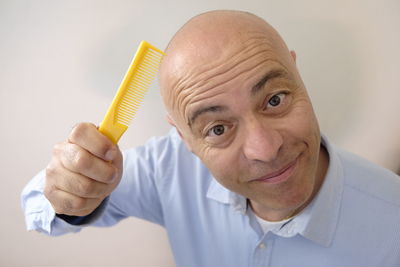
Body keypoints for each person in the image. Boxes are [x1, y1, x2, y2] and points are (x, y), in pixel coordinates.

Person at [21, 10, 400, 267]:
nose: (265, 150)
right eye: (218, 129)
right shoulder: (168, 168)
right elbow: (39, 206)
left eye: (274, 100)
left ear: (297, 75)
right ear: (183, 137)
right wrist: (73, 190)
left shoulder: (391, 223)